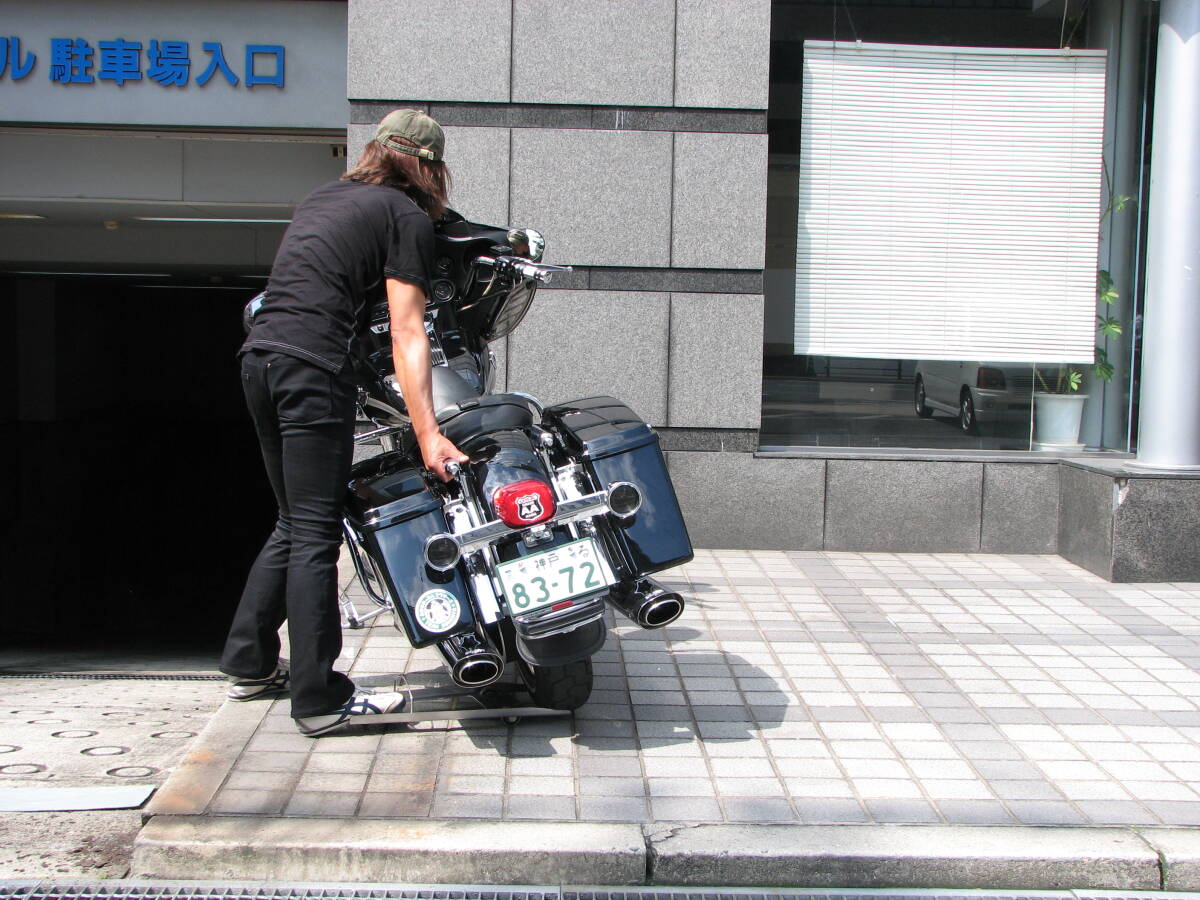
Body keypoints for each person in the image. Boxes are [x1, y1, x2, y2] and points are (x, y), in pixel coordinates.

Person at [219, 109, 468, 737]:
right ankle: (318, 697)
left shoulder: (326, 197)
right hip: (312, 369)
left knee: (293, 518)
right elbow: (408, 331)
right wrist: (428, 432)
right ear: (429, 168)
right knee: (316, 534)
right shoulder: (407, 218)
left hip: (260, 360)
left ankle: (249, 661)